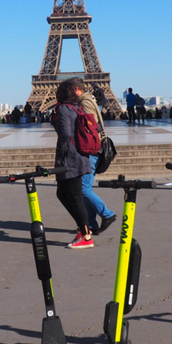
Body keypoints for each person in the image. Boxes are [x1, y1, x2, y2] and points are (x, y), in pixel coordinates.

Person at [70, 78, 117, 235]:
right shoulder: (88, 100)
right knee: (85, 187)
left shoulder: (85, 102)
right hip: (94, 149)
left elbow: (89, 126)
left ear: (76, 89)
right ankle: (91, 224)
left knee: (83, 189)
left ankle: (107, 214)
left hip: (91, 150)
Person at [53, 80, 94, 249]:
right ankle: (82, 227)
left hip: (69, 157)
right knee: (62, 193)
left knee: (75, 197)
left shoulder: (63, 109)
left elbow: (66, 133)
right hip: (79, 155)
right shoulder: (76, 107)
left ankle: (86, 235)